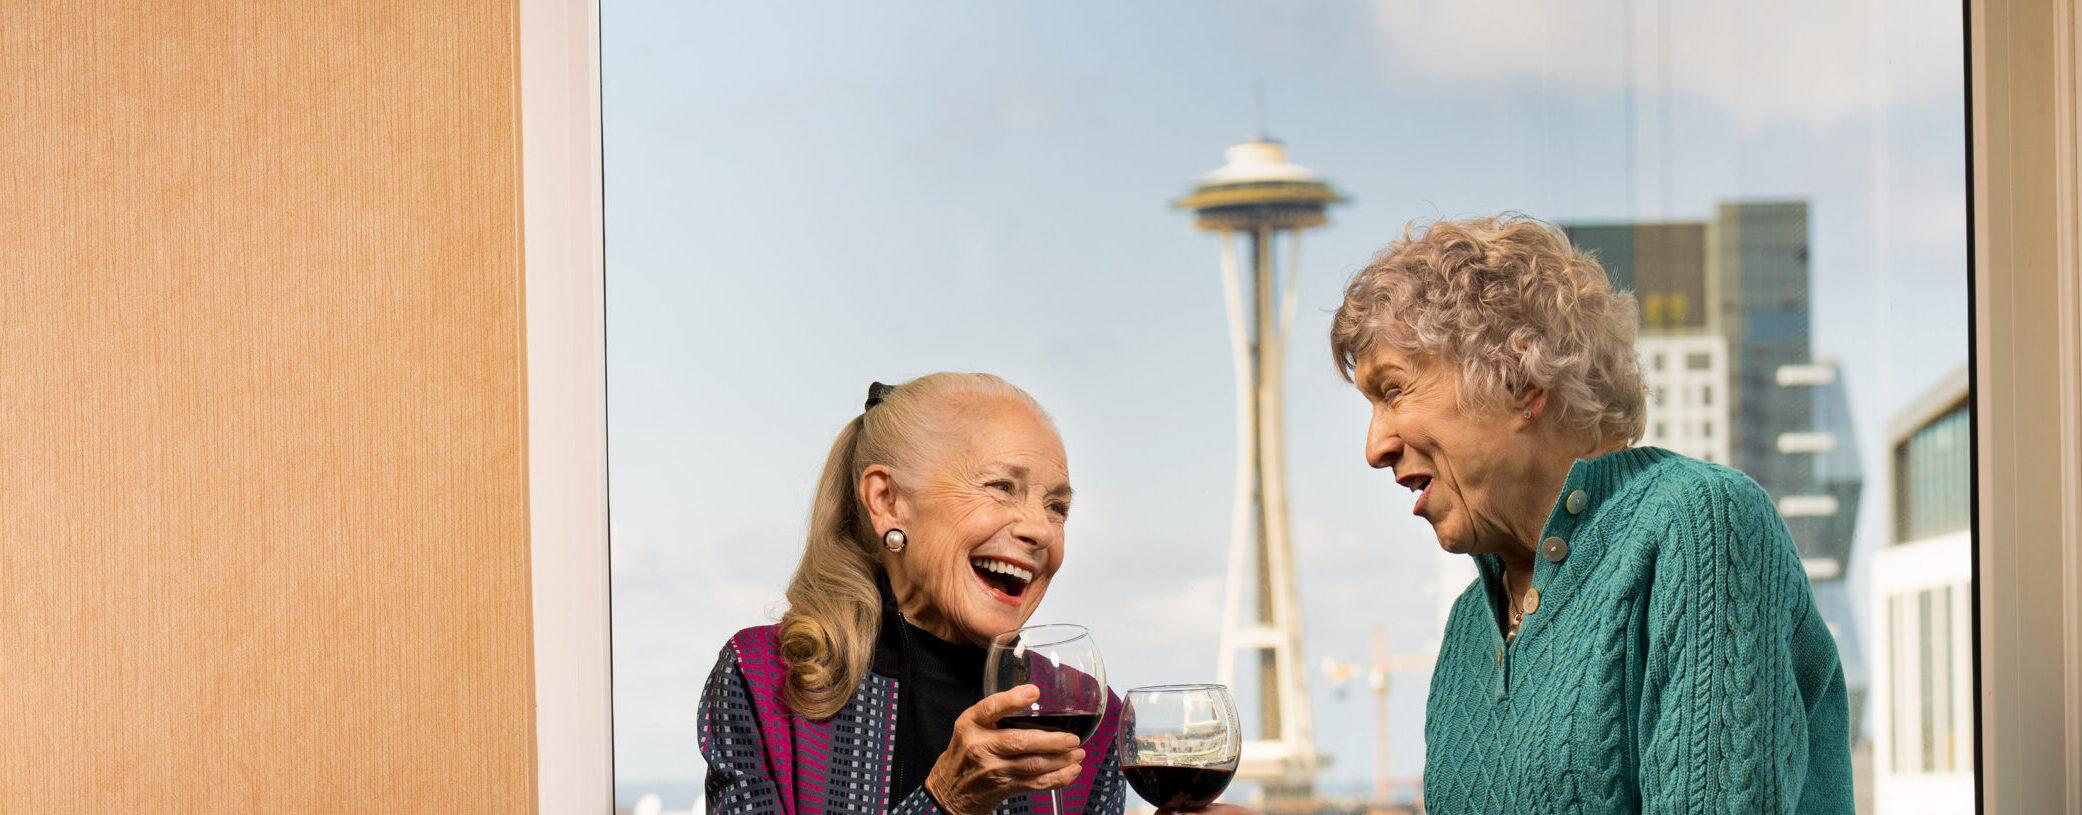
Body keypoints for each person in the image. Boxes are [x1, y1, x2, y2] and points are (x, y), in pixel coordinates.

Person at [1198, 215, 1854, 814]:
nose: (1375, 447)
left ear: (1522, 380)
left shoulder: (1699, 523)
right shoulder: (1468, 627)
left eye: (1394, 390)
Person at [698, 373, 1125, 815]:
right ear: (887, 500)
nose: (1040, 530)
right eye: (1001, 487)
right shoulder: (761, 673)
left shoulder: (1090, 712)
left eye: (1056, 507)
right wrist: (945, 802)